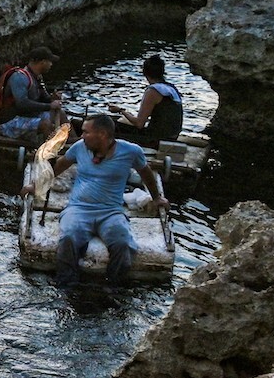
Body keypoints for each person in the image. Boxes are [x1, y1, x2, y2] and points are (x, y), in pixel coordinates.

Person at [20, 113, 168, 287]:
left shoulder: (131, 151)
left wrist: (157, 198)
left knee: (122, 244)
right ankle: (66, 285)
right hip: (78, 209)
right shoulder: (79, 147)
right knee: (69, 238)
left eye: (86, 132)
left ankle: (112, 287)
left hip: (111, 212)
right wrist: (36, 186)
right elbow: (59, 166)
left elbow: (146, 173)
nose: (82, 136)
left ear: (102, 134)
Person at [0, 47, 67, 142]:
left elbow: (43, 98)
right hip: (11, 121)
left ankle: (73, 140)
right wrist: (50, 106)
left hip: (29, 116)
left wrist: (52, 98)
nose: (51, 65)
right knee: (45, 124)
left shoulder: (37, 77)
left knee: (60, 114)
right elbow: (22, 104)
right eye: (50, 62)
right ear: (42, 62)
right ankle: (51, 148)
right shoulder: (20, 77)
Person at [114, 54, 184, 147]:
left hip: (155, 140)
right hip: (172, 136)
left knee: (112, 126)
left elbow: (139, 124)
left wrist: (121, 110)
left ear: (145, 73)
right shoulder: (171, 88)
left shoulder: (153, 91)